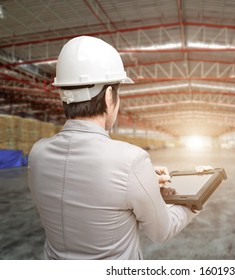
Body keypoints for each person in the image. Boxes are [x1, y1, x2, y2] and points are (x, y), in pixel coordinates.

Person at [27, 36, 199, 260]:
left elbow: (81, 190)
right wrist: (196, 201)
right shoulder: (131, 160)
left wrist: (142, 182)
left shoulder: (38, 153)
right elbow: (161, 231)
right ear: (109, 96)